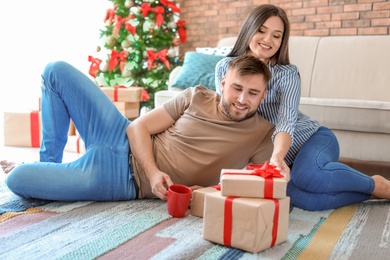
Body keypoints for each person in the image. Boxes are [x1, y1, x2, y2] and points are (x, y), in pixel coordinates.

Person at [1, 55, 283, 201]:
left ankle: (40, 172)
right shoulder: (196, 96)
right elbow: (137, 128)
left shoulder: (261, 136)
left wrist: (210, 191)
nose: (242, 100)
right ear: (222, 84)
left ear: (264, 94)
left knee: (17, 180)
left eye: (253, 93)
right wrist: (153, 171)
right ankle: (48, 164)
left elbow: (257, 188)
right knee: (55, 70)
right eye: (236, 88)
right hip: (116, 132)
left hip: (120, 179)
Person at [215, 4, 390, 211]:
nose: (267, 40)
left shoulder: (287, 74)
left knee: (310, 176)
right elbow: (227, 118)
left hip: (312, 138)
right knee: (304, 201)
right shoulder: (225, 68)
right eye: (261, 30)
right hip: (276, 155)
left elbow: (286, 121)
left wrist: (277, 156)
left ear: (282, 42)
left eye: (276, 36)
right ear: (249, 29)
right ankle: (368, 192)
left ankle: (377, 184)